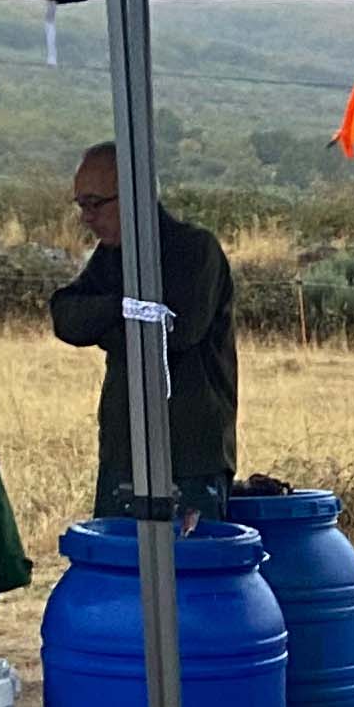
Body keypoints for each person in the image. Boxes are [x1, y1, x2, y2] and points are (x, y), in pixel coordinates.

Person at [46, 144, 237, 519]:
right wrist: (124, 308)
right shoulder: (111, 255)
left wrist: (106, 323)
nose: (86, 218)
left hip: (190, 457)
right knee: (117, 556)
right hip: (124, 453)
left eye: (95, 203)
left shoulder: (195, 249)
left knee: (189, 559)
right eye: (81, 205)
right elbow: (66, 316)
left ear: (135, 194)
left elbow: (175, 333)